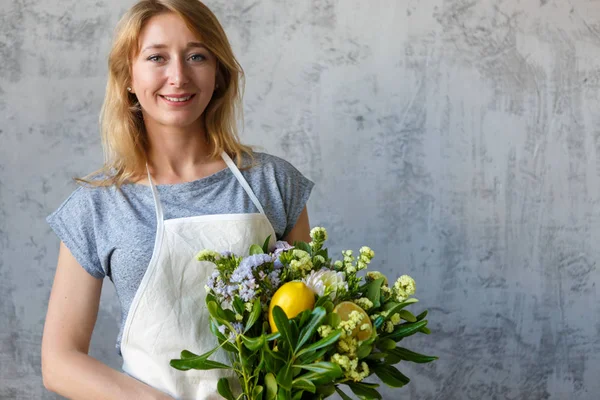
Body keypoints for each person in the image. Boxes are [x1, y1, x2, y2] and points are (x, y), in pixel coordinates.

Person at [41, 1, 313, 399]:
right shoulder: (98, 204)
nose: (178, 76)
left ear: (217, 73)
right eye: (156, 57)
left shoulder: (273, 182)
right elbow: (59, 362)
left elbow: (309, 332)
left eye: (196, 56)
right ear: (128, 77)